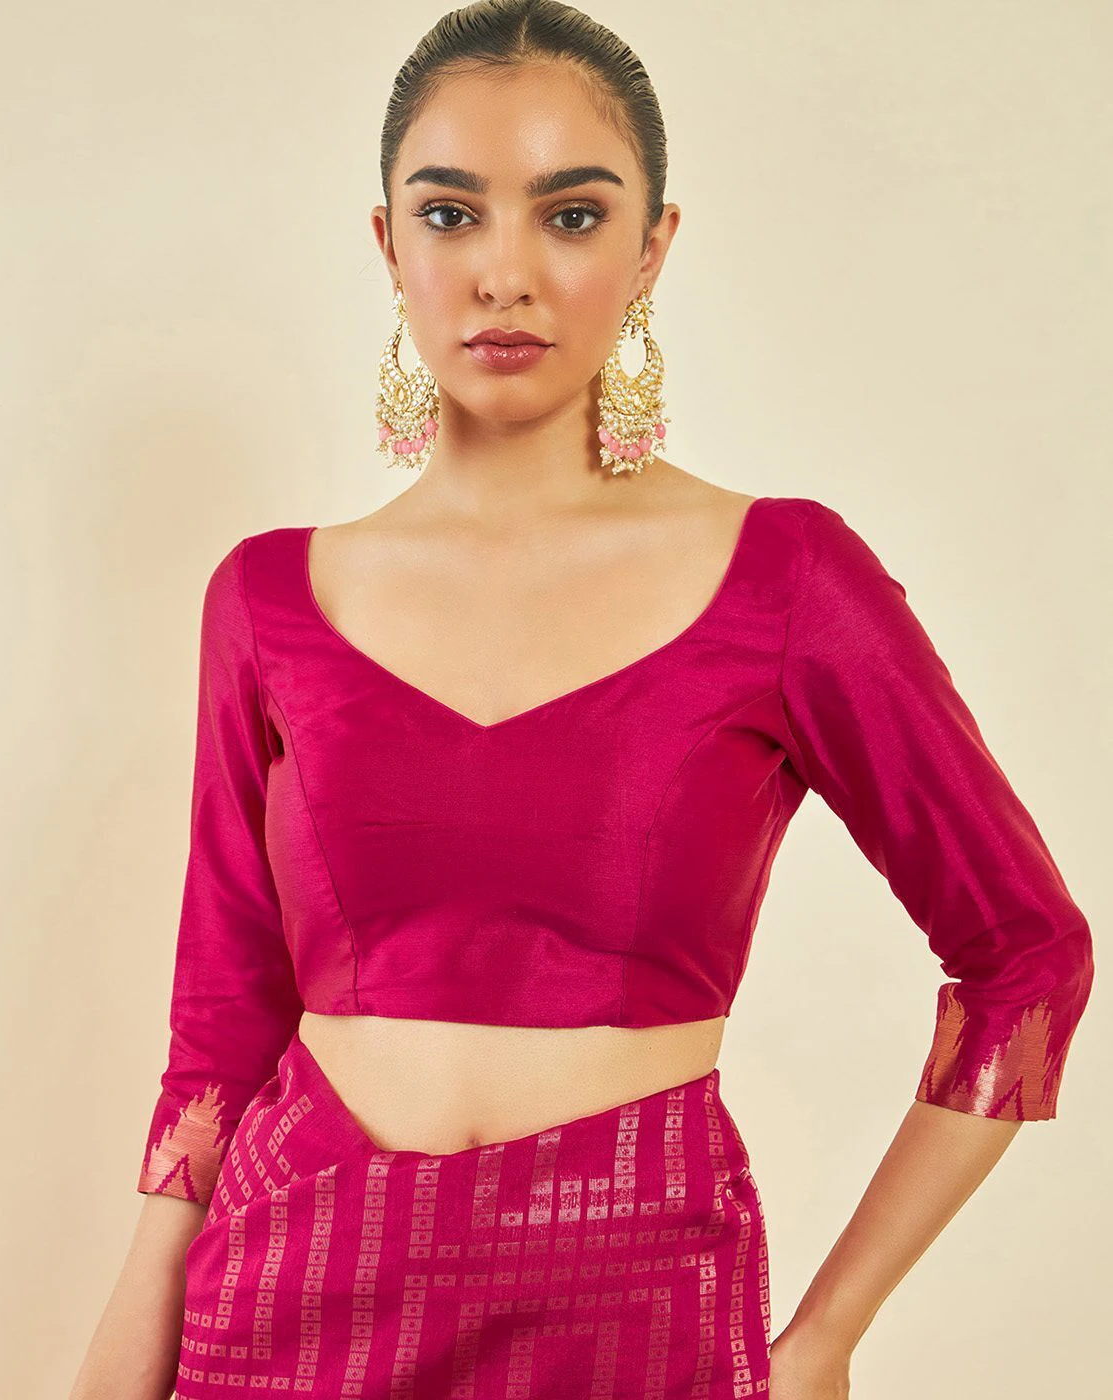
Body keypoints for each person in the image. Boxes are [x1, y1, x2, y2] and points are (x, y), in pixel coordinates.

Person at [71, 3, 1094, 1397]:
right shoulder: (267, 600)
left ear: (652, 247)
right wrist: (124, 1350)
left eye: (569, 216)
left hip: (637, 1315)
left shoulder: (786, 580)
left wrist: (827, 1336)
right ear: (387, 244)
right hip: (286, 1303)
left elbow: (1027, 953)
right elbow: (222, 1023)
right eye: (449, 215)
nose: (504, 274)